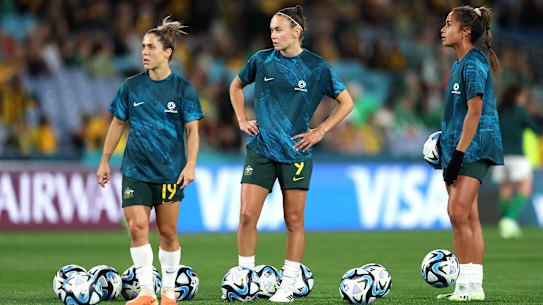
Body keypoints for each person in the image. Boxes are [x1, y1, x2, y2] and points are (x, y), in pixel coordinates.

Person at [229, 5, 354, 303]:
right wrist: (241, 119)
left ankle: (287, 283)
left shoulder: (317, 67)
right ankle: (245, 277)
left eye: (278, 29)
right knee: (247, 215)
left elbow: (346, 102)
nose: (272, 34)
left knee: (294, 220)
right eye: (271, 29)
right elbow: (235, 86)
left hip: (296, 152)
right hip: (261, 149)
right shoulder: (260, 61)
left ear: (296, 32)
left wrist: (320, 131)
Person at [96, 17, 203, 305]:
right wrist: (105, 160)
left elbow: (192, 130)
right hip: (135, 170)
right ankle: (146, 292)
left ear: (167, 52)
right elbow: (117, 124)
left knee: (168, 233)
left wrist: (191, 164)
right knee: (137, 227)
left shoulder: (183, 90)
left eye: (151, 47)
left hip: (170, 172)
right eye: (143, 46)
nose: (144, 52)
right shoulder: (131, 87)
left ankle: (168, 292)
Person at [437, 5, 504, 302]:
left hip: (475, 147)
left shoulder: (474, 64)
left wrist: (458, 156)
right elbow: (459, 113)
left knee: (457, 212)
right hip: (459, 148)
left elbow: (475, 113)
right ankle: (470, 287)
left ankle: (469, 285)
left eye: (448, 24)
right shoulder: (459, 64)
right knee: (467, 217)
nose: (443, 29)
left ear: (465, 31)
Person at [492, 85, 541, 239]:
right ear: (518, 96)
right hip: (517, 156)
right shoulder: (520, 112)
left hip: (500, 156)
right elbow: (536, 130)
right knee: (525, 187)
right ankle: (509, 219)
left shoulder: (498, 111)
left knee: (506, 189)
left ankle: (505, 223)